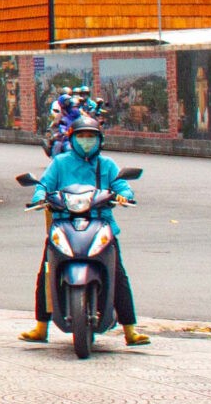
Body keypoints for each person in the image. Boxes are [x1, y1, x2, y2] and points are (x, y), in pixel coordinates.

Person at [20, 115, 149, 347]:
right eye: (82, 136)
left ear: (100, 140)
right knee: (47, 272)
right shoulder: (60, 163)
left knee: (117, 274)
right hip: (64, 222)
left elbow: (122, 186)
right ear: (72, 139)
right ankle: (41, 327)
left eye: (91, 137)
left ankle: (130, 330)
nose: (86, 141)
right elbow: (44, 185)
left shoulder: (107, 165)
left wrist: (124, 196)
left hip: (100, 223)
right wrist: (39, 197)